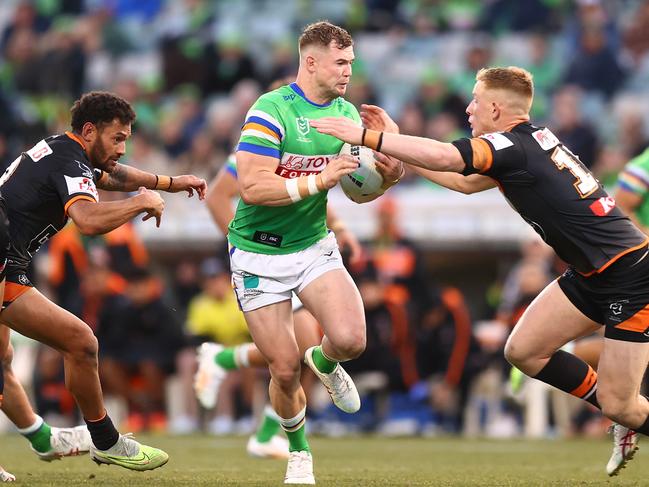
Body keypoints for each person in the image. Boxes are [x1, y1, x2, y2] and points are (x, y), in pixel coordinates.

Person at [311, 66, 649, 477]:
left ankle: (626, 416)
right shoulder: (526, 144)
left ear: (494, 107)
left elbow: (448, 157)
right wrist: (397, 150)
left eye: (474, 101)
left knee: (621, 404)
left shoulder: (509, 146)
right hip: (593, 272)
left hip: (631, 276)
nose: (469, 109)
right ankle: (625, 415)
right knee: (522, 351)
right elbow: (464, 182)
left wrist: (367, 137)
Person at [226, 21, 402, 484]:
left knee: (350, 341)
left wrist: (391, 170)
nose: (348, 70)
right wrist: (320, 180)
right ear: (311, 62)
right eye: (340, 62)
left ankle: (323, 361)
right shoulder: (271, 108)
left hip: (311, 246)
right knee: (283, 370)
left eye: (351, 62)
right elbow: (253, 186)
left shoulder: (346, 115)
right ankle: (298, 451)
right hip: (257, 254)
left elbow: (362, 190)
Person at [0, 91, 206, 471]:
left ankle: (44, 438)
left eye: (127, 138)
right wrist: (141, 202)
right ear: (90, 131)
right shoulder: (68, 157)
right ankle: (106, 441)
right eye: (118, 138)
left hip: (9, 266)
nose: (123, 148)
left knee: (13, 358)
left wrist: (170, 183)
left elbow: (113, 176)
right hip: (4, 262)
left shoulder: (67, 152)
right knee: (78, 342)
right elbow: (89, 220)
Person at [195, 148, 362, 459]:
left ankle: (262, 421)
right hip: (265, 261)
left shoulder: (310, 144)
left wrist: (340, 228)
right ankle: (268, 428)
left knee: (303, 355)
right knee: (298, 353)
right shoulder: (258, 148)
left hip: (304, 252)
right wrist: (248, 244)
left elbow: (309, 198)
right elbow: (218, 196)